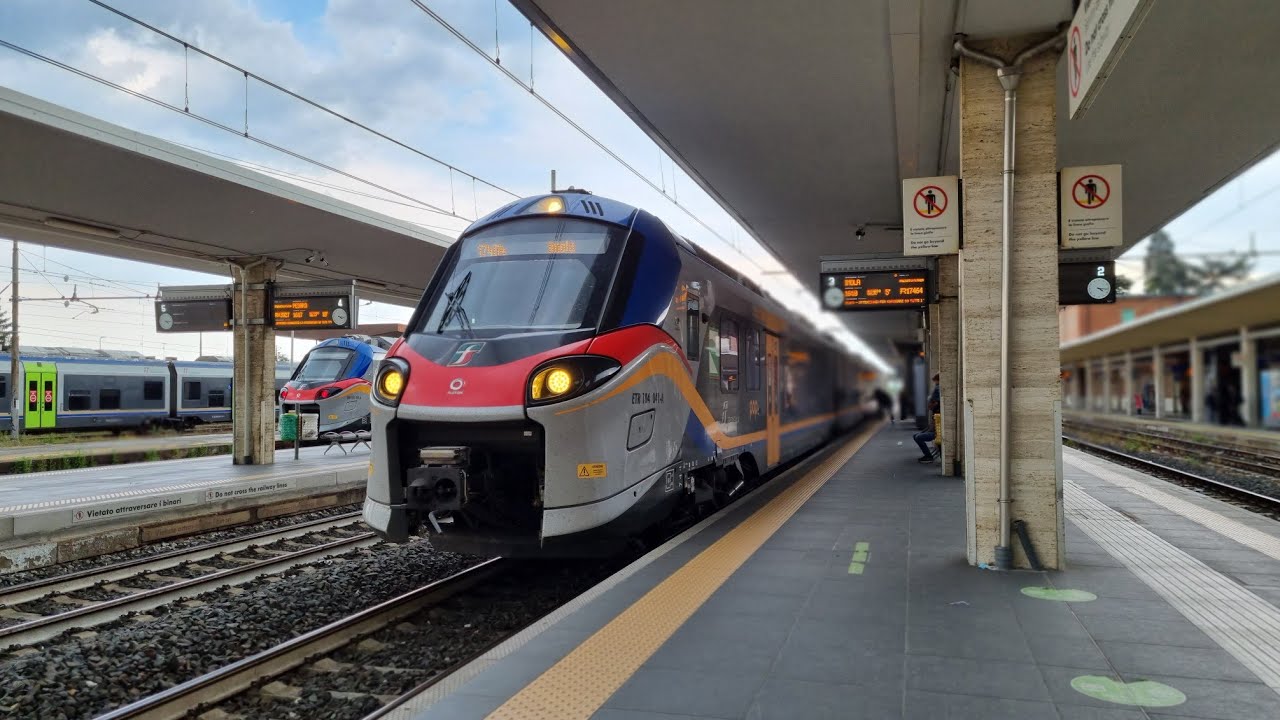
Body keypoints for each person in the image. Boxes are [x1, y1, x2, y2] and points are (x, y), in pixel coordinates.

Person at [913, 373, 941, 463]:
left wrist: (931, 404)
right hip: (935, 429)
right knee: (916, 436)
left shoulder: (938, 389)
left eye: (936, 381)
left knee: (918, 437)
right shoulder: (937, 412)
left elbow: (934, 402)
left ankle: (928, 456)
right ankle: (928, 455)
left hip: (937, 431)